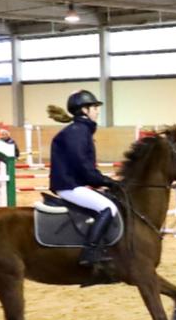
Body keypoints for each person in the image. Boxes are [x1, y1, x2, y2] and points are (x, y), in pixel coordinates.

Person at [48, 90, 127, 281]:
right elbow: (83, 166)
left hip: (73, 182)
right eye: (94, 108)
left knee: (106, 200)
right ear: (84, 110)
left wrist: (101, 182)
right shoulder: (78, 132)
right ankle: (90, 252)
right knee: (108, 207)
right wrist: (107, 181)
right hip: (68, 185)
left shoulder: (79, 130)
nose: (97, 111)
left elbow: (84, 168)